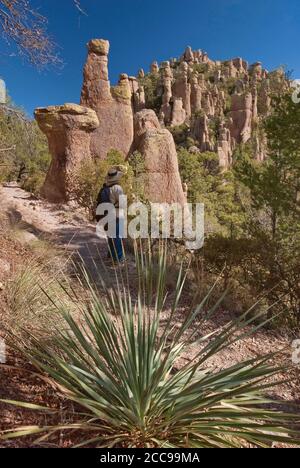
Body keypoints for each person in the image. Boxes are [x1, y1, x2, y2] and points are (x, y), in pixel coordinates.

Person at [96, 167, 125, 264]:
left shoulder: (105, 187)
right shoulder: (117, 188)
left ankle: (111, 256)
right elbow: (123, 203)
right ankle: (119, 259)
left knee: (110, 237)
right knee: (117, 237)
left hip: (106, 215)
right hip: (116, 215)